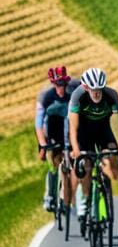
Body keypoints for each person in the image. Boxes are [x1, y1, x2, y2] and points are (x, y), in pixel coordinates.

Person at [68, 68, 118, 225]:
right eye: (93, 90)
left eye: (100, 89)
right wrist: (76, 150)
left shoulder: (111, 95)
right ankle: (85, 199)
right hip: (84, 133)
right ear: (86, 87)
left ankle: (106, 180)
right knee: (85, 165)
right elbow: (73, 128)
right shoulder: (77, 96)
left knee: (113, 152)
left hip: (103, 130)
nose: (97, 93)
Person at [35, 66, 80, 212]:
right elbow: (39, 123)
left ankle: (69, 195)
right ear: (53, 84)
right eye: (57, 84)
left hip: (67, 127)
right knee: (52, 164)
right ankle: (50, 196)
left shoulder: (73, 92)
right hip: (51, 129)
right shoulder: (45, 96)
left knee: (71, 159)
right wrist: (42, 144)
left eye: (63, 84)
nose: (61, 87)